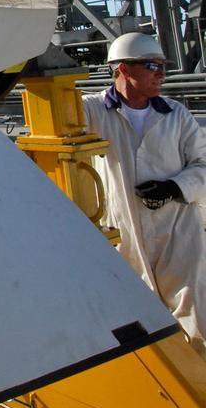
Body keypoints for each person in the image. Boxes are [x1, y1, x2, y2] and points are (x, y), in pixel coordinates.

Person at [82, 32, 206, 357]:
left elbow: (203, 164)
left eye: (163, 66)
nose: (160, 74)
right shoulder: (92, 111)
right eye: (152, 66)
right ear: (123, 69)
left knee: (195, 315)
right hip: (124, 234)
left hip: (178, 231)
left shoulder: (176, 114)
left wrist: (174, 188)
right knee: (135, 321)